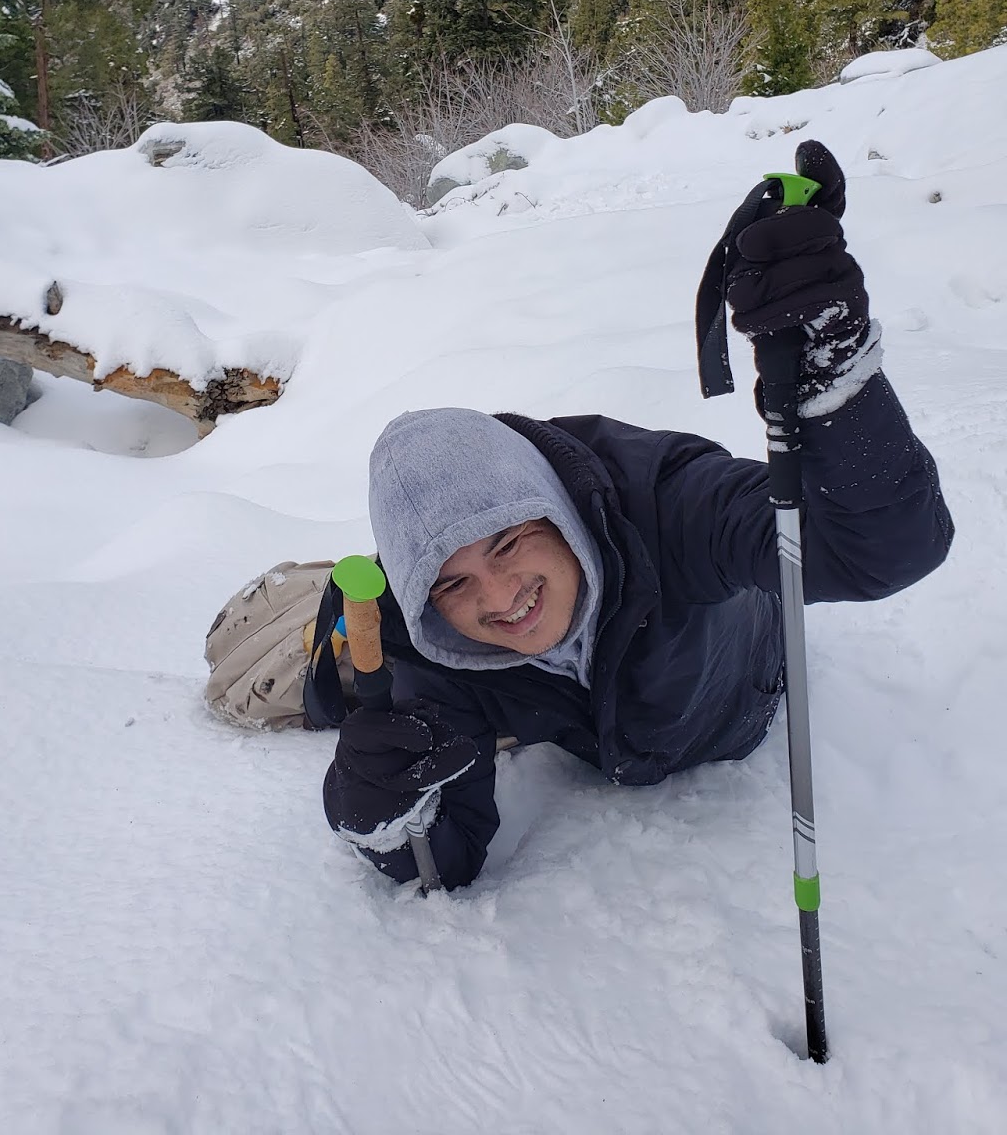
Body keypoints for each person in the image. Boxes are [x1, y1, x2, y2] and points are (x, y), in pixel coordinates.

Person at [321, 148, 954, 889]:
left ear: (551, 508)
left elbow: (884, 551)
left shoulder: (670, 505)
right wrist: (381, 814)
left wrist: (836, 387)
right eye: (452, 583)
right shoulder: (432, 642)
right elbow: (446, 858)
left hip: (739, 703)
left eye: (508, 543)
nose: (499, 597)